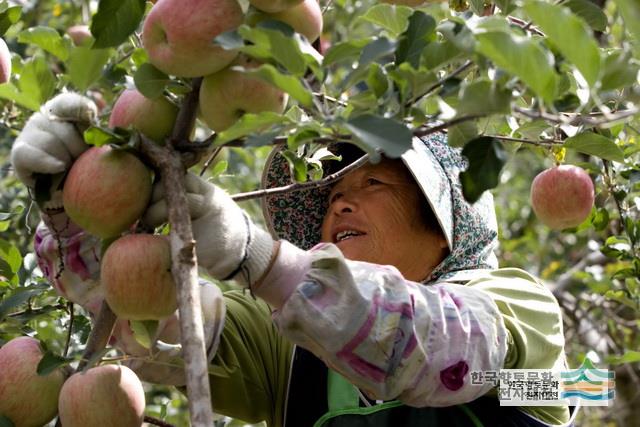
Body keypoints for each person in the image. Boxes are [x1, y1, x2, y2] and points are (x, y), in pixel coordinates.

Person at [11, 93, 573, 426]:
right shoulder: (295, 353)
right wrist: (77, 216)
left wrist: (262, 260)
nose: (340, 202)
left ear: (449, 227)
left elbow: (450, 356)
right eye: (329, 196)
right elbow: (158, 322)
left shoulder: (520, 308)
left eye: (372, 181)